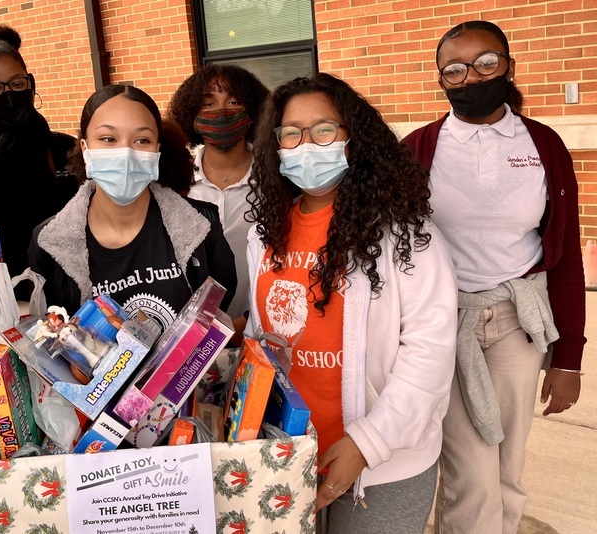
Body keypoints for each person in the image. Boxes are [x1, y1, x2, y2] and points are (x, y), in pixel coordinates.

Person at [245, 72, 458, 532]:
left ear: (353, 139)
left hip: (384, 464)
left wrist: (368, 442)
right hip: (286, 451)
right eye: (291, 133)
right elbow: (259, 338)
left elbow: (430, 350)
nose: (306, 145)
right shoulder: (264, 236)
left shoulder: (404, 234)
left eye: (324, 130)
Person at [402, 20, 586, 534]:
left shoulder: (544, 145)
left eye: (486, 63)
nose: (471, 77)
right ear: (440, 80)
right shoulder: (417, 149)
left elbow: (565, 256)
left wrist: (568, 357)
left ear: (509, 66)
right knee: (471, 475)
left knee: (508, 469)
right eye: (454, 70)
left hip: (518, 321)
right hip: (447, 322)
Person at [28, 84, 237, 329]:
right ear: (85, 149)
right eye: (108, 139)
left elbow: (216, 313)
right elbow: (51, 332)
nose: (125, 154)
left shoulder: (203, 226)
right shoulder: (50, 243)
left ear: (157, 151)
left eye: (142, 140)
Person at [0, 19, 78, 287]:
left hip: (69, 284)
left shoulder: (65, 149)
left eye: (17, 84)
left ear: (31, 84)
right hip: (6, 291)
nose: (9, 95)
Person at [168, 65, 269, 332]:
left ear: (254, 112)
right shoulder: (175, 184)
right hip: (192, 336)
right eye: (209, 103)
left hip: (263, 329)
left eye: (234, 102)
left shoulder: (277, 181)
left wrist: (246, 323)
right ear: (191, 115)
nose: (221, 112)